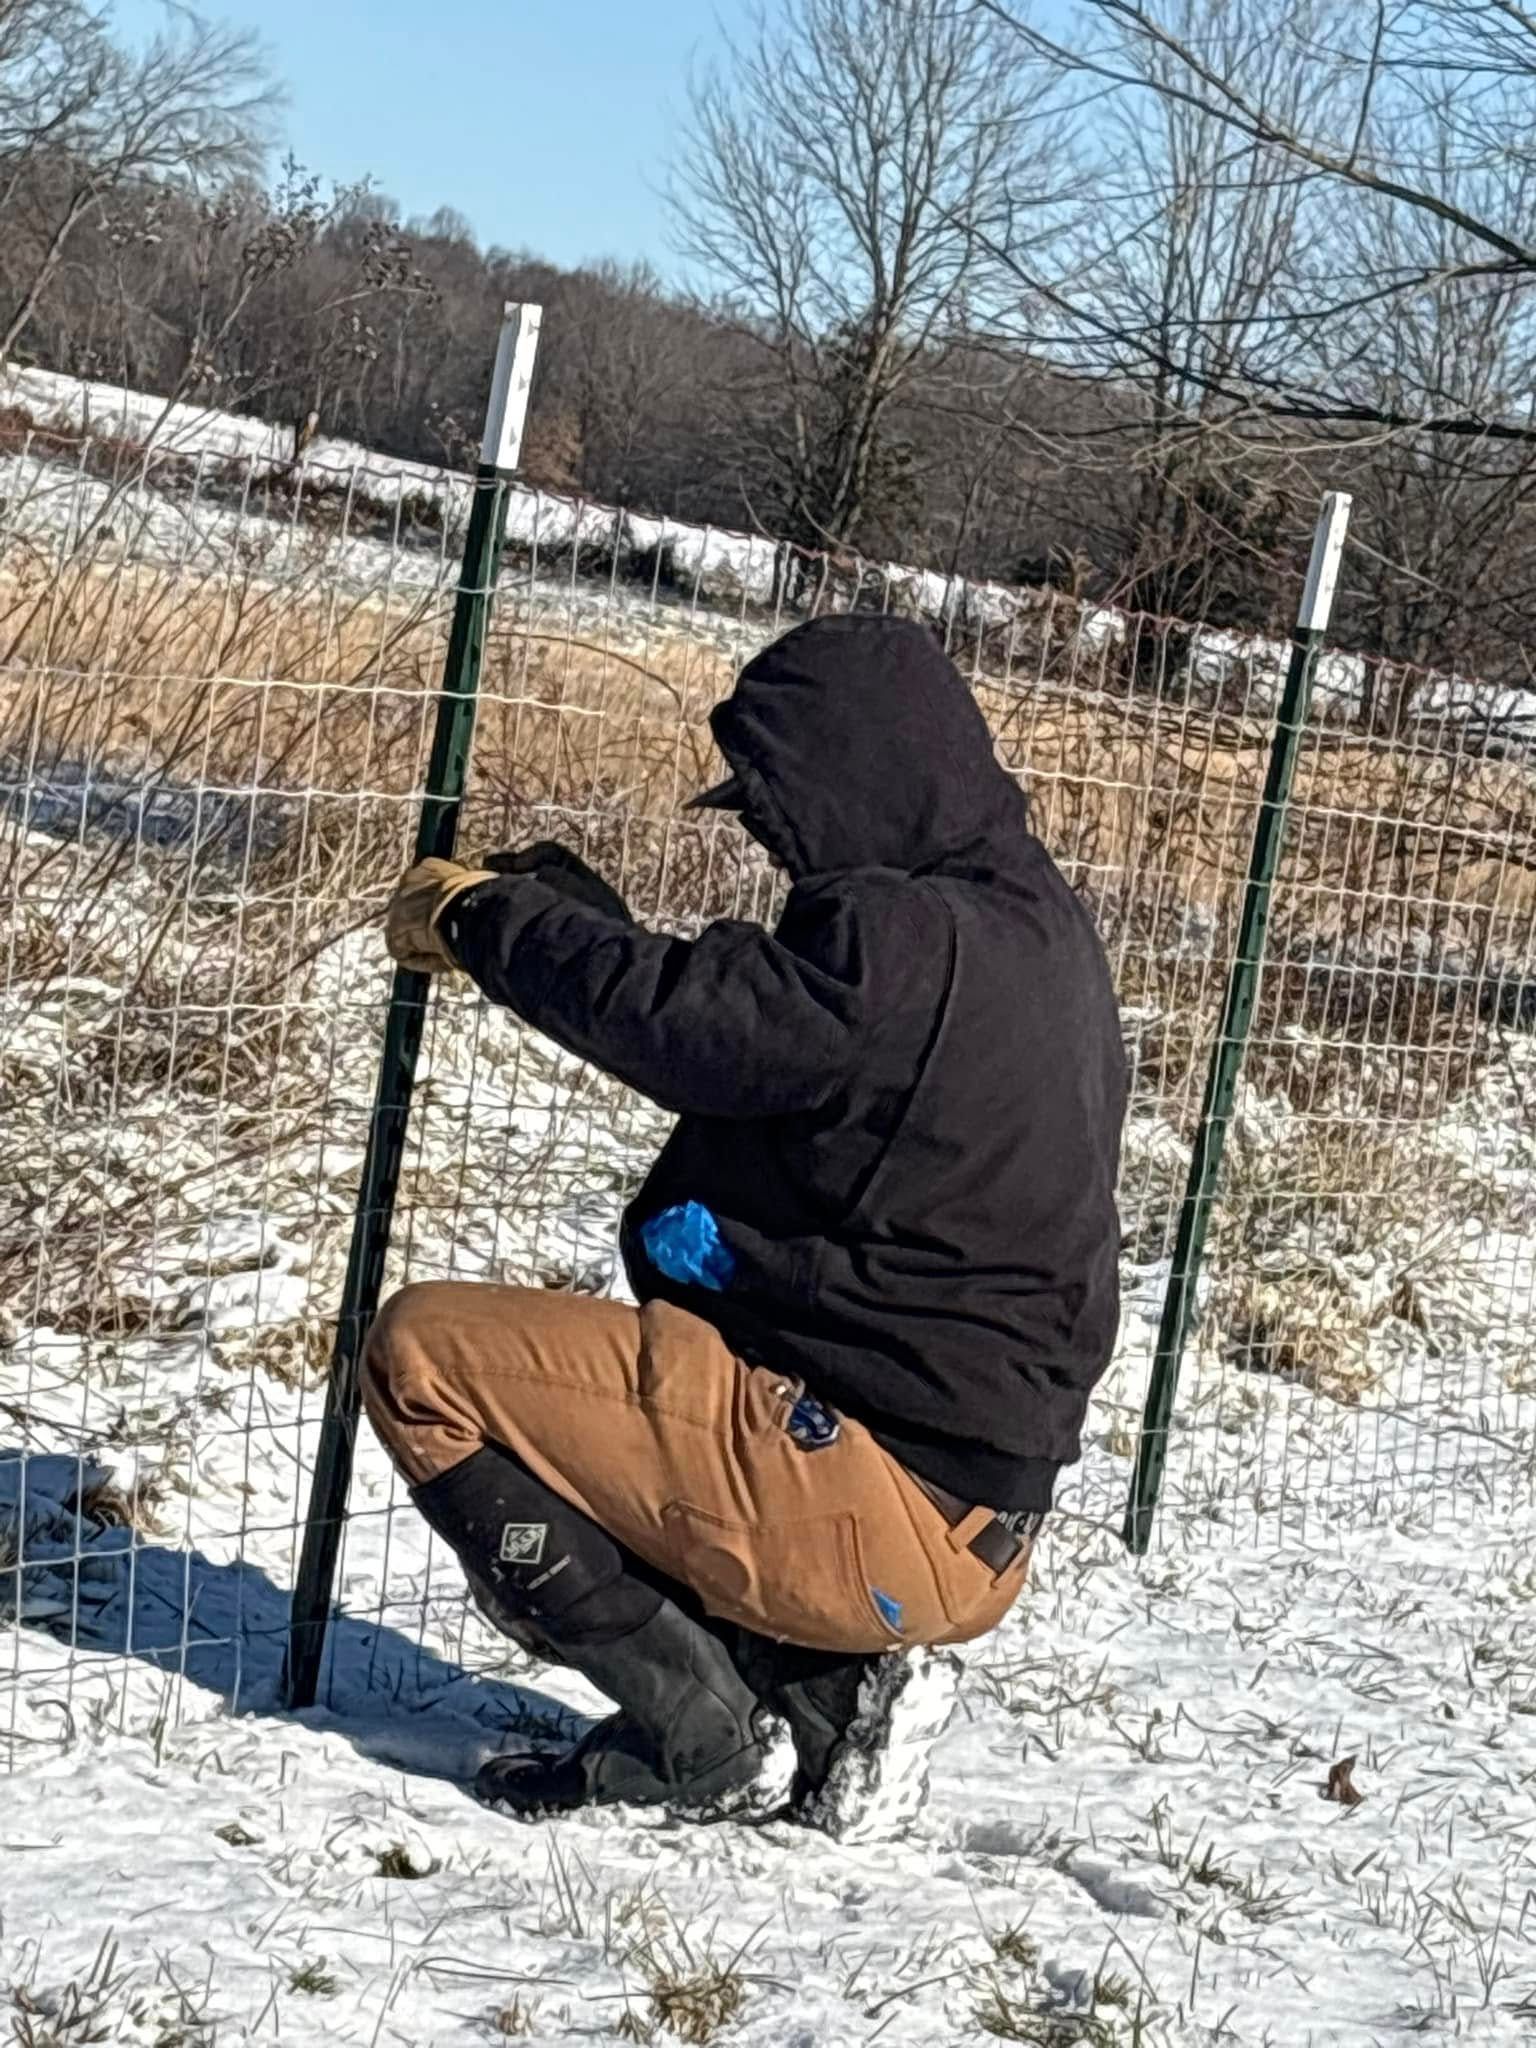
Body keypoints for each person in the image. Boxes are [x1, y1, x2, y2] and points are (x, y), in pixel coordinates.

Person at [370, 613, 1126, 1823]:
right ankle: (819, 1689)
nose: (769, 834)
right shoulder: (1033, 934)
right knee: (673, 1370)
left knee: (426, 1359)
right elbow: (769, 1033)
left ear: (857, 769)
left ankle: (696, 1735)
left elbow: (697, 1027)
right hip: (971, 1508)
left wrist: (486, 922)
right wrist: (588, 927)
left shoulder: (901, 937)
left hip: (872, 1493)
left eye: (776, 801)